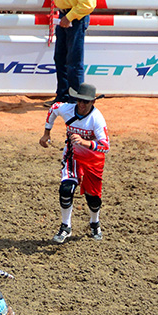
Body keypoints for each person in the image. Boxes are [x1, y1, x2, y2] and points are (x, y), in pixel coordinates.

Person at [40, 82, 109, 244]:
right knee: (66, 189)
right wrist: (46, 133)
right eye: (79, 100)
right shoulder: (67, 109)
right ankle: (66, 226)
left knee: (93, 198)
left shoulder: (97, 119)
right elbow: (53, 108)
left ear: (93, 102)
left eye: (86, 101)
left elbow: (105, 146)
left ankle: (94, 222)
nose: (82, 104)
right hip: (73, 156)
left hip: (93, 160)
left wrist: (85, 143)